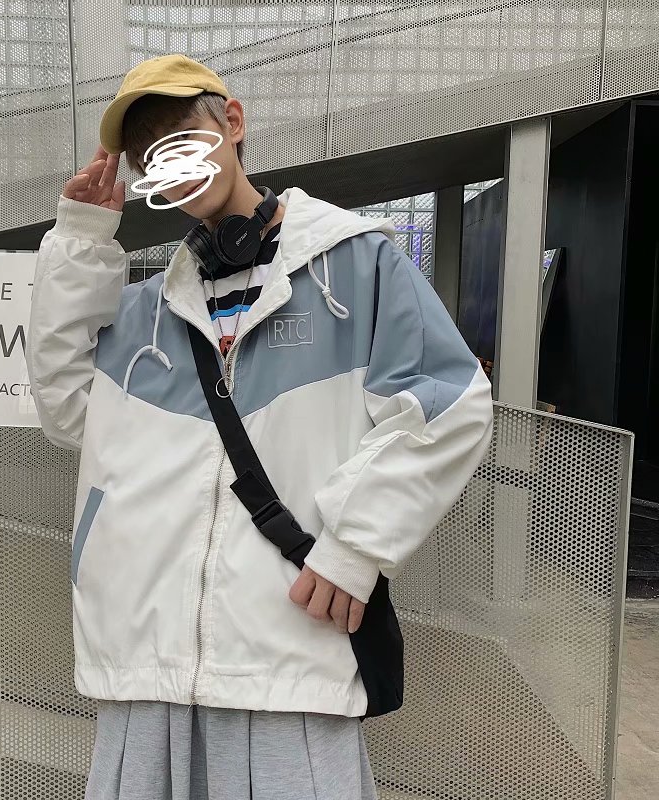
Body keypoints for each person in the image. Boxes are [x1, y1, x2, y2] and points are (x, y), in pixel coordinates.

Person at [25, 53, 493, 800]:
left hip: (287, 658)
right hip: (148, 665)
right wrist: (83, 238)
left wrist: (355, 545)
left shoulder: (355, 265)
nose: (170, 166)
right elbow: (65, 404)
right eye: (150, 157)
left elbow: (449, 402)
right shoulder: (146, 314)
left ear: (233, 123)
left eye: (182, 138)